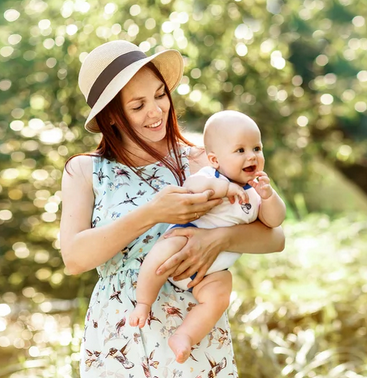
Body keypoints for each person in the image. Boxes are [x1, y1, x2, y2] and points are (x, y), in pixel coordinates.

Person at [60, 40, 285, 378]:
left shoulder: (202, 159)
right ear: (112, 117)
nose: (156, 111)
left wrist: (220, 239)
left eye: (160, 95)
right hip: (122, 330)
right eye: (138, 105)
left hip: (196, 331)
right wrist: (152, 213)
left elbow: (275, 237)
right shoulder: (85, 170)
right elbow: (74, 258)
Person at [129, 110, 286, 363]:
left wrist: (269, 197)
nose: (252, 156)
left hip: (211, 273)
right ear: (214, 159)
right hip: (185, 242)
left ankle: (185, 336)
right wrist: (226, 188)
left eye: (257, 148)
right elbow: (193, 188)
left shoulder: (256, 192)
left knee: (220, 294)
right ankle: (143, 303)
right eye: (240, 150)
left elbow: (273, 222)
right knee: (161, 253)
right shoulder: (210, 176)